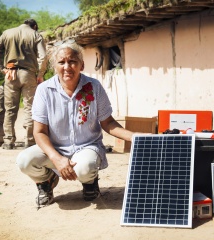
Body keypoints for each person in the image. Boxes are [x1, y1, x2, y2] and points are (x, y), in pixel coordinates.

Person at [16, 40, 135, 208]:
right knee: (24, 160)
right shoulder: (44, 90)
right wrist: (56, 158)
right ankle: (46, 182)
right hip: (55, 149)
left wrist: (135, 137)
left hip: (86, 147)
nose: (67, 66)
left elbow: (107, 122)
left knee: (85, 167)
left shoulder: (94, 87)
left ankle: (89, 183)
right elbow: (39, 132)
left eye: (72, 61)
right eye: (62, 62)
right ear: (54, 67)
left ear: (82, 65)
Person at [0, 18, 48, 150]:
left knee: (10, 109)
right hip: (29, 75)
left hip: (10, 74)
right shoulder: (35, 35)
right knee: (29, 108)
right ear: (34, 26)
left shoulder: (7, 33)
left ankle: (8, 141)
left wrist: (2, 68)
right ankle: (29, 140)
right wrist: (40, 74)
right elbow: (43, 56)